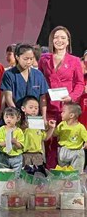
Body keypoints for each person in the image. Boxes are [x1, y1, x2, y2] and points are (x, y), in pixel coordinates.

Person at [39, 26, 84, 168]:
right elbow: (40, 81)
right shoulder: (44, 59)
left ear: (68, 41)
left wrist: (71, 97)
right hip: (49, 106)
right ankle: (50, 172)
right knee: (49, 140)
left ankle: (66, 175)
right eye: (56, 37)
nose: (59, 40)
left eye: (63, 38)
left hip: (67, 108)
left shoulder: (75, 61)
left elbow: (80, 83)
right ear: (52, 40)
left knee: (66, 141)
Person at [1, 44, 49, 112]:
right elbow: (8, 97)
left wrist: (43, 115)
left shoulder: (38, 75)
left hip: (34, 116)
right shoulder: (9, 74)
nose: (29, 62)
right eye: (25, 59)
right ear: (17, 57)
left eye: (31, 59)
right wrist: (16, 114)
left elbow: (42, 97)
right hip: (15, 114)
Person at [20, 96, 56, 175]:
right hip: (25, 155)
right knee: (26, 176)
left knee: (39, 176)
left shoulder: (39, 124)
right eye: (31, 107)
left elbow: (45, 137)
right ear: (23, 108)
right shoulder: (20, 123)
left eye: (36, 108)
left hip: (38, 155)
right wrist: (23, 127)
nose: (34, 110)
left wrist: (51, 128)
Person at [55, 102, 87, 171]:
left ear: (71, 115)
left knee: (76, 172)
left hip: (76, 152)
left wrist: (86, 143)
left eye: (63, 112)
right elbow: (55, 134)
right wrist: (51, 127)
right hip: (63, 150)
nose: (61, 113)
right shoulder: (61, 125)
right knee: (63, 171)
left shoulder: (80, 127)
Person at [0, 107, 24, 174]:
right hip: (4, 155)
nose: (8, 119)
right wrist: (8, 141)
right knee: (3, 174)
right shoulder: (2, 129)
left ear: (17, 119)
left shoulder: (19, 131)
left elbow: (21, 146)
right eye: (6, 117)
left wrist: (15, 142)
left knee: (16, 174)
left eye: (12, 117)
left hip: (16, 157)